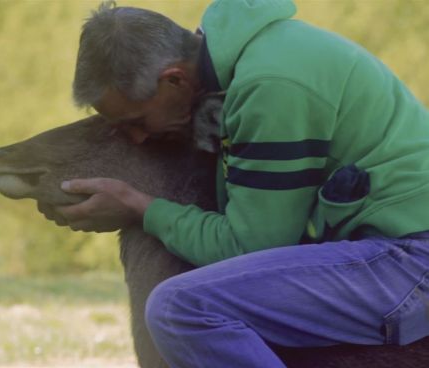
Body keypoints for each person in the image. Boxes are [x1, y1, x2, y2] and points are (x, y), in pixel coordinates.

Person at [38, 1, 429, 367]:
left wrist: (141, 206)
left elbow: (252, 247)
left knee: (181, 308)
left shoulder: (271, 83)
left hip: (411, 260)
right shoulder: (257, 59)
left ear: (173, 79)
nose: (138, 138)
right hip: (395, 250)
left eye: (136, 122)